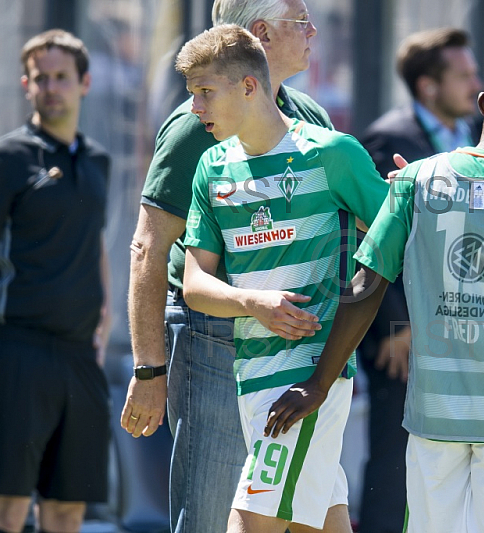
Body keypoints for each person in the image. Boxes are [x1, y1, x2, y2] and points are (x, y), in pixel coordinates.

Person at [266, 49, 484, 533]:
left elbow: (364, 287)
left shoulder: (416, 180)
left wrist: (318, 383)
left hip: (434, 418)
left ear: (482, 104)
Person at [121, 1, 334, 532]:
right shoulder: (198, 123)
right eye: (299, 21)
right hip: (213, 341)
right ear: (259, 33)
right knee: (214, 518)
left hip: (295, 347)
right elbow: (149, 247)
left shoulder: (312, 118)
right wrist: (149, 368)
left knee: (302, 515)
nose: (313, 30)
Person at [177, 25, 388, 532]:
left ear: (249, 86)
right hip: (251, 378)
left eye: (206, 93)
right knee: (319, 522)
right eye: (192, 96)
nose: (195, 109)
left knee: (247, 524)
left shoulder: (331, 153)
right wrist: (253, 303)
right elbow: (195, 286)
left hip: (308, 380)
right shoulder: (212, 167)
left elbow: (394, 246)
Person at [0, 29, 111, 533]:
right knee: (4, 513)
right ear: (26, 85)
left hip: (81, 360)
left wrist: (104, 320)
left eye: (62, 77)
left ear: (84, 83)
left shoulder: (99, 162)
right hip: (17, 354)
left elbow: (96, 244)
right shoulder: (3, 160)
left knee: (67, 514)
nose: (51, 87)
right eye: (41, 78)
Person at [355, 27, 482, 533]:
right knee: (395, 457)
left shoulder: (474, 138)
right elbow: (376, 236)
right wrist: (398, 324)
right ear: (428, 86)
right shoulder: (389, 138)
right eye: (464, 75)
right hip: (403, 333)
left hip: (459, 327)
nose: (475, 84)